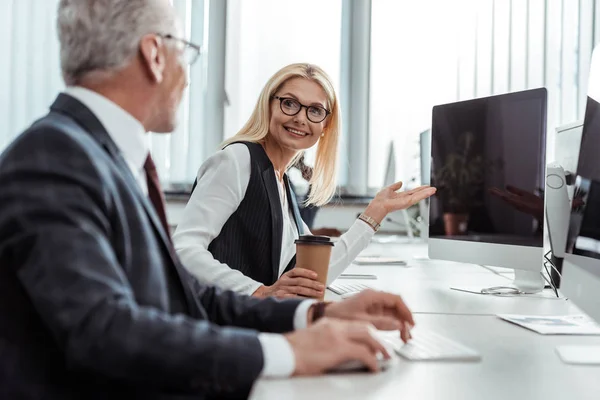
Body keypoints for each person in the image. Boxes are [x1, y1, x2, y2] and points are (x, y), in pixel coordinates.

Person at [0, 1, 418, 398]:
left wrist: (312, 317)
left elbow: (184, 294)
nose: (189, 74)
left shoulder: (101, 155)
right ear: (155, 54)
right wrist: (289, 352)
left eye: (315, 111)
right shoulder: (55, 159)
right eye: (186, 50)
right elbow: (104, 331)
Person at [173, 64, 436, 299]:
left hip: (251, 324)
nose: (300, 117)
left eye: (315, 110)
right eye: (290, 103)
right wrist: (259, 291)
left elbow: (315, 275)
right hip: (223, 329)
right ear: (269, 106)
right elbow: (184, 250)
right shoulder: (237, 159)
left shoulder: (281, 180)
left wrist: (377, 211)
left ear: (325, 126)